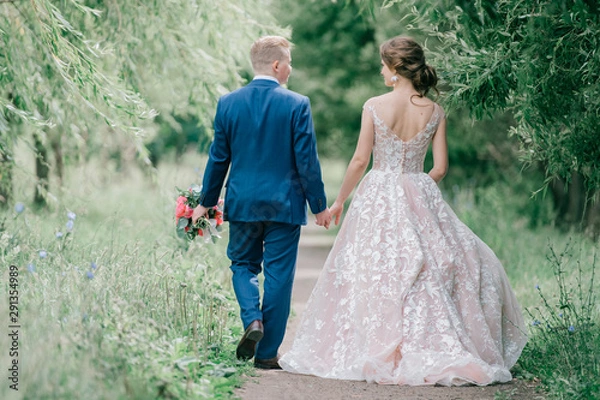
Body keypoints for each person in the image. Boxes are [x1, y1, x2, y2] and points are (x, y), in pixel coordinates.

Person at [279, 36, 527, 385]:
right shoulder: (435, 111)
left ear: (396, 69)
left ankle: (378, 340)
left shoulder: (374, 106)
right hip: (418, 187)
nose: (381, 70)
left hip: (379, 190)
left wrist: (339, 202)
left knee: (376, 267)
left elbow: (361, 160)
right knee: (427, 264)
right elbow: (439, 168)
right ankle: (425, 339)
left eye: (384, 64)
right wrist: (416, 187)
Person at [192, 36, 332, 370]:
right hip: (285, 205)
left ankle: (252, 320)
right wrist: (319, 205)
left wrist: (205, 202)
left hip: (242, 203)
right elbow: (307, 162)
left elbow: (218, 159)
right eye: (289, 62)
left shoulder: (228, 103)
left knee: (242, 265)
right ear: (277, 65)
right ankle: (268, 353)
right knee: (279, 275)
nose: (291, 68)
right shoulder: (297, 104)